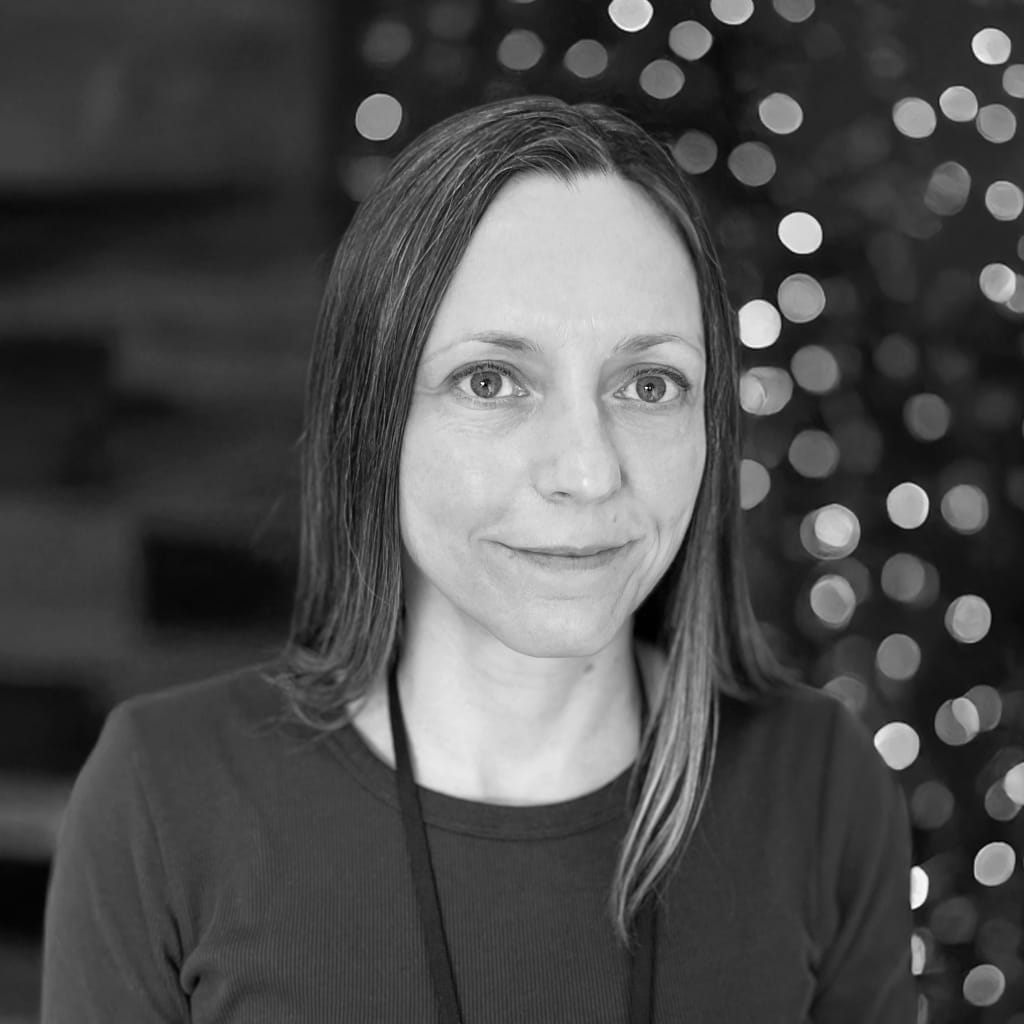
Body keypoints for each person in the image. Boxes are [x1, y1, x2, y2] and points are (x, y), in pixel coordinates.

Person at [40, 94, 915, 1022]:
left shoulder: (822, 786)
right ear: (373, 418)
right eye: (491, 381)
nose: (587, 471)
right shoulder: (163, 797)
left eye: (650, 384)